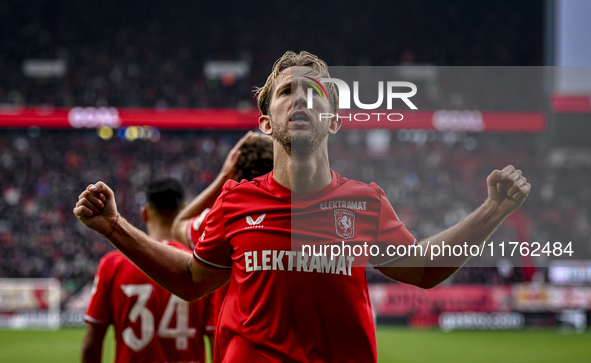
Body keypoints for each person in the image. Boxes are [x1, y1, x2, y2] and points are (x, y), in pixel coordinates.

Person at [74, 51, 531, 363]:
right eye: (288, 90)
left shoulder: (363, 202)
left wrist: (493, 210)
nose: (302, 98)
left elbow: (425, 270)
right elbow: (193, 281)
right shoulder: (236, 201)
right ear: (267, 122)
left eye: (315, 92)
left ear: (332, 119)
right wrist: (115, 227)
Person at [81, 179, 215, 363]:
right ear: (185, 214)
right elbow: (218, 344)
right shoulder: (203, 266)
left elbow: (91, 345)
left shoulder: (112, 264)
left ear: (144, 214)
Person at [171, 131, 273, 250]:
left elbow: (178, 227)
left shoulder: (224, 213)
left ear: (233, 169)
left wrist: (223, 177)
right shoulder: (292, 211)